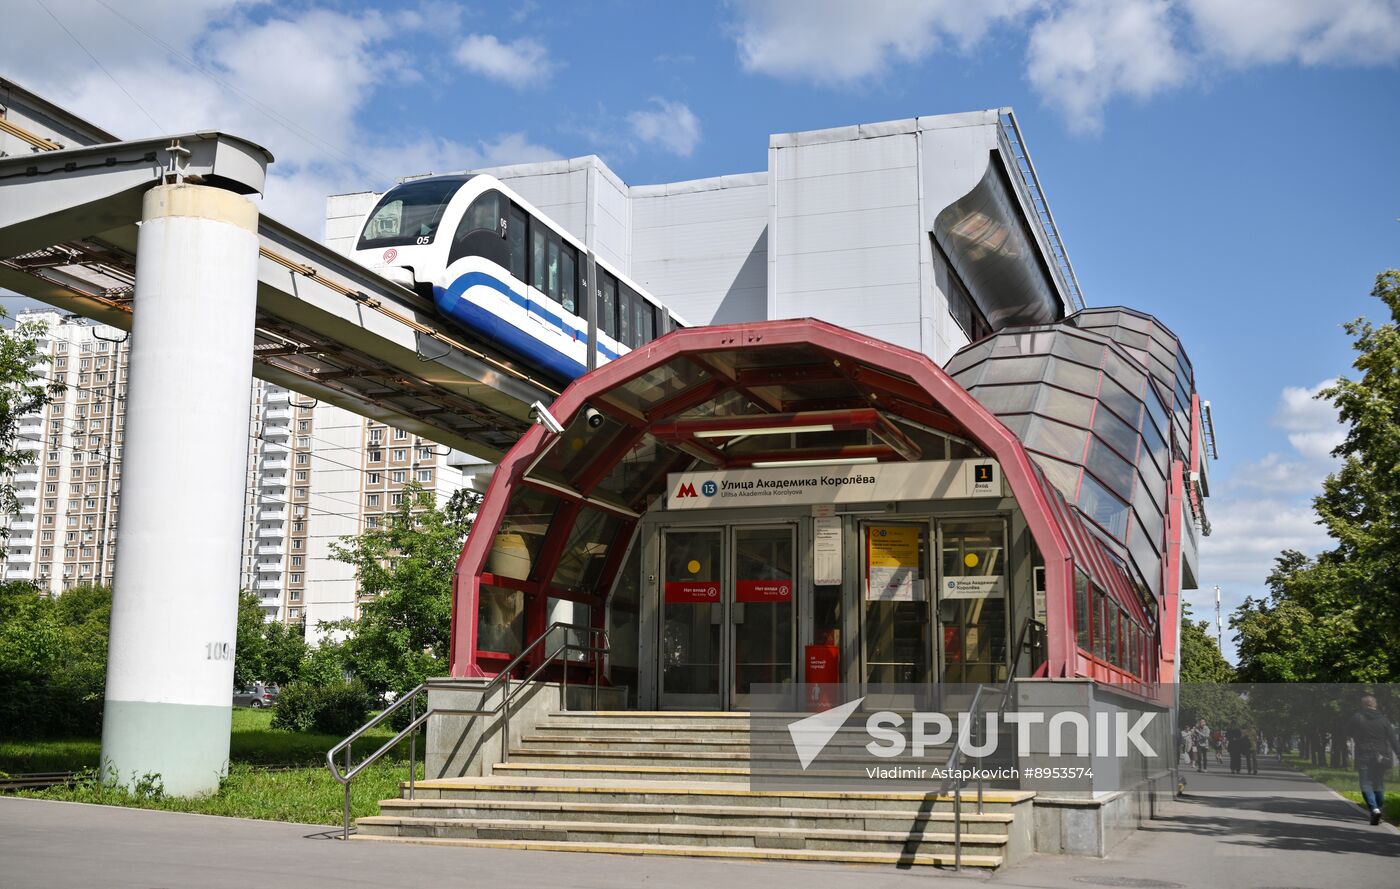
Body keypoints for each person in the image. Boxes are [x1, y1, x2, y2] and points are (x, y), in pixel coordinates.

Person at [1342, 694, 1400, 825]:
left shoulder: (1357, 717)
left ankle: (1374, 808)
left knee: (1366, 784)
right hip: (1382, 756)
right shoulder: (1384, 720)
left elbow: (1346, 731)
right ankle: (1378, 808)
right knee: (1378, 783)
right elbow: (1393, 740)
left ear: (1363, 705)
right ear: (1375, 705)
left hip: (1364, 754)